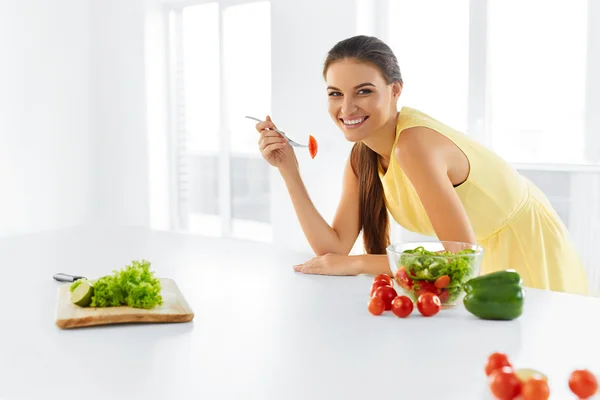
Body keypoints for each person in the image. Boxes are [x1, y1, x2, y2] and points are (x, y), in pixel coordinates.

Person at [254, 35, 589, 296]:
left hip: (525, 247)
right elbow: (332, 250)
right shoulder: (363, 157)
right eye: (335, 94)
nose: (347, 107)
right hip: (479, 259)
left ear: (395, 90)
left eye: (364, 91)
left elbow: (461, 260)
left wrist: (356, 264)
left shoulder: (413, 145)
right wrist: (288, 169)